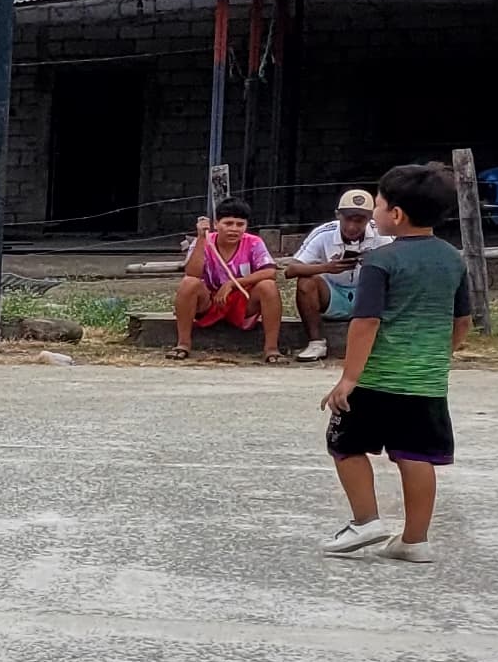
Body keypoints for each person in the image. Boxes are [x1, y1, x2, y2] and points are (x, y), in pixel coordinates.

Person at [319, 165, 471, 563]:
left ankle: (365, 521)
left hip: (376, 379)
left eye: (379, 205)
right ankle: (415, 540)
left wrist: (348, 378)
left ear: (397, 214)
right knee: (416, 455)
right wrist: (438, 356)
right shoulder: (453, 259)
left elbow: (366, 322)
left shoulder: (380, 260)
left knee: (345, 445)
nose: (376, 213)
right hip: (426, 383)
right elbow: (463, 321)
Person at [171, 198, 284, 363]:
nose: (234, 229)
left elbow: (270, 272)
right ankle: (183, 344)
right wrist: (201, 238)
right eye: (228, 223)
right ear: (216, 224)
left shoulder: (253, 242)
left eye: (240, 224)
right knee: (189, 283)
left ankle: (272, 348)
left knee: (268, 286)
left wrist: (232, 284)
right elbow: (192, 273)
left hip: (242, 299)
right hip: (210, 301)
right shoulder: (204, 241)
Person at [281, 187, 384, 363]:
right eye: (347, 219)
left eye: (359, 221)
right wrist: (326, 267)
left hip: (367, 294)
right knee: (306, 282)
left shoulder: (381, 233)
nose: (352, 227)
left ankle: (381, 341)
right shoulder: (324, 233)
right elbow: (291, 270)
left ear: (370, 218)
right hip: (332, 294)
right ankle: (316, 342)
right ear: (338, 215)